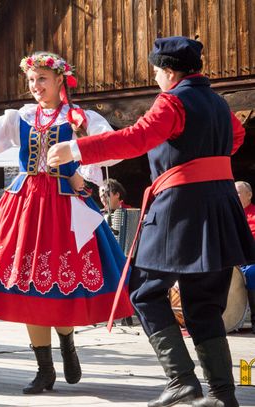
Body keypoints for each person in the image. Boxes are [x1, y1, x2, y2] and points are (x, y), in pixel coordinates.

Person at [48, 36, 255, 407]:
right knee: (204, 303)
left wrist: (76, 148)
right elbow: (235, 140)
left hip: (181, 206)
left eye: (158, 71)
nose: (157, 78)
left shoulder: (173, 101)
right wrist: (205, 156)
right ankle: (224, 395)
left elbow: (137, 139)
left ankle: (181, 380)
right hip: (220, 205)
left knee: (143, 289)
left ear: (170, 72)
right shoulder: (219, 105)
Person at [0, 52, 133, 394]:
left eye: (42, 79)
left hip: (65, 206)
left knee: (62, 281)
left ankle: (68, 342)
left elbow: (111, 150)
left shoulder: (81, 117)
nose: (35, 87)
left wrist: (79, 153)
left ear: (61, 79)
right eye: (31, 80)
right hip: (25, 204)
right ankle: (44, 369)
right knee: (27, 284)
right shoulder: (21, 117)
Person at [235, 180, 255, 334]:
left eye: (239, 192)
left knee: (251, 273)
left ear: (249, 195)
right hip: (231, 261)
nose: (235, 195)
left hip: (250, 261)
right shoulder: (229, 214)